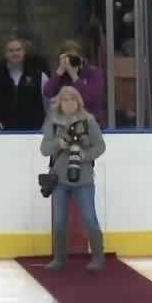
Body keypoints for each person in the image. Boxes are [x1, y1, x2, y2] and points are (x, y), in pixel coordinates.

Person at [40, 86, 107, 271]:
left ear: (78, 101)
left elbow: (100, 146)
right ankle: (59, 259)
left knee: (89, 218)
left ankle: (98, 257)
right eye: (65, 100)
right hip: (59, 179)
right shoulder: (52, 122)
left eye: (72, 99)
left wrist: (84, 156)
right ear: (59, 103)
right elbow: (44, 149)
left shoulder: (88, 120)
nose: (69, 103)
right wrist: (58, 144)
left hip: (83, 178)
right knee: (59, 220)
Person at [0, 37, 51, 130]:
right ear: (5, 54)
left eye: (18, 50)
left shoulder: (39, 76)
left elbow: (51, 102)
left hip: (34, 133)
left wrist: (46, 125)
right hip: (5, 134)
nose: (15, 53)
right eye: (11, 50)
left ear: (24, 52)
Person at [43, 39, 106, 126]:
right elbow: (47, 92)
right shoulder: (62, 75)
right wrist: (60, 70)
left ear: (82, 58)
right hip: (64, 125)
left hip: (90, 125)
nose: (72, 61)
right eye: (68, 58)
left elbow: (89, 99)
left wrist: (74, 76)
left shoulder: (94, 73)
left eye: (75, 58)